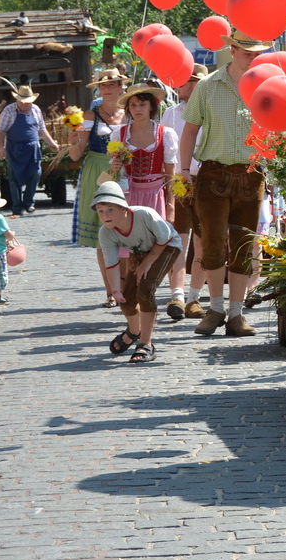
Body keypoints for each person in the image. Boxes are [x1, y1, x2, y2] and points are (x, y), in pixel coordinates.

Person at [180, 32, 272, 336]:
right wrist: (183, 169)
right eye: (247, 51)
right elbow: (190, 129)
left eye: (257, 51)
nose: (253, 56)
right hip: (212, 173)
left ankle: (236, 314)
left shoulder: (266, 85)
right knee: (212, 243)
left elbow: (278, 127)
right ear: (232, 50)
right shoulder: (207, 86)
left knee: (245, 245)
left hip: (251, 173)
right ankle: (216, 308)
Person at [92, 180, 182, 362]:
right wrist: (115, 289)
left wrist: (147, 263)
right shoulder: (106, 232)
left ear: (123, 208)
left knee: (146, 289)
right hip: (139, 252)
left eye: (110, 209)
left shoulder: (144, 214)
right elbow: (111, 263)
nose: (105, 215)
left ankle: (146, 343)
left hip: (166, 246)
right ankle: (134, 331)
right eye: (100, 211)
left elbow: (163, 239)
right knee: (126, 299)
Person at [70, 68, 127, 302]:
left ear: (121, 86)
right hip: (97, 171)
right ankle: (111, 291)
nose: (107, 88)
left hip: (125, 170)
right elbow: (75, 156)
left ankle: (125, 286)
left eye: (112, 83)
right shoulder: (90, 116)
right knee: (103, 234)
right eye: (103, 85)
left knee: (126, 230)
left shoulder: (130, 114)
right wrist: (72, 141)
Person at [158, 65, 209, 321]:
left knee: (201, 240)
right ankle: (177, 294)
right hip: (178, 181)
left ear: (198, 84)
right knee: (177, 239)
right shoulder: (171, 113)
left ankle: (194, 298)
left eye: (185, 81)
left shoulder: (209, 111)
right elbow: (165, 150)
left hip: (205, 180)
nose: (178, 86)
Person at [114, 82, 177, 219]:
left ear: (151, 107)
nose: (138, 109)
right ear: (128, 108)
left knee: (154, 236)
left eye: (142, 104)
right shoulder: (119, 134)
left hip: (155, 194)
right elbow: (115, 172)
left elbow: (170, 174)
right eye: (133, 105)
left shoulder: (165, 133)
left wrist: (170, 205)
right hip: (128, 194)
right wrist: (114, 168)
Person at [0, 84, 47, 216]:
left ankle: (29, 202)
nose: (26, 104)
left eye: (28, 102)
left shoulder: (35, 110)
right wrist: (0, 147)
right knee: (14, 177)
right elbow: (1, 130)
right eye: (23, 102)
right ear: (17, 100)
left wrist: (52, 143)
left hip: (33, 148)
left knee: (36, 173)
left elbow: (42, 129)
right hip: (14, 149)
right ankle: (17, 206)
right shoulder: (9, 110)